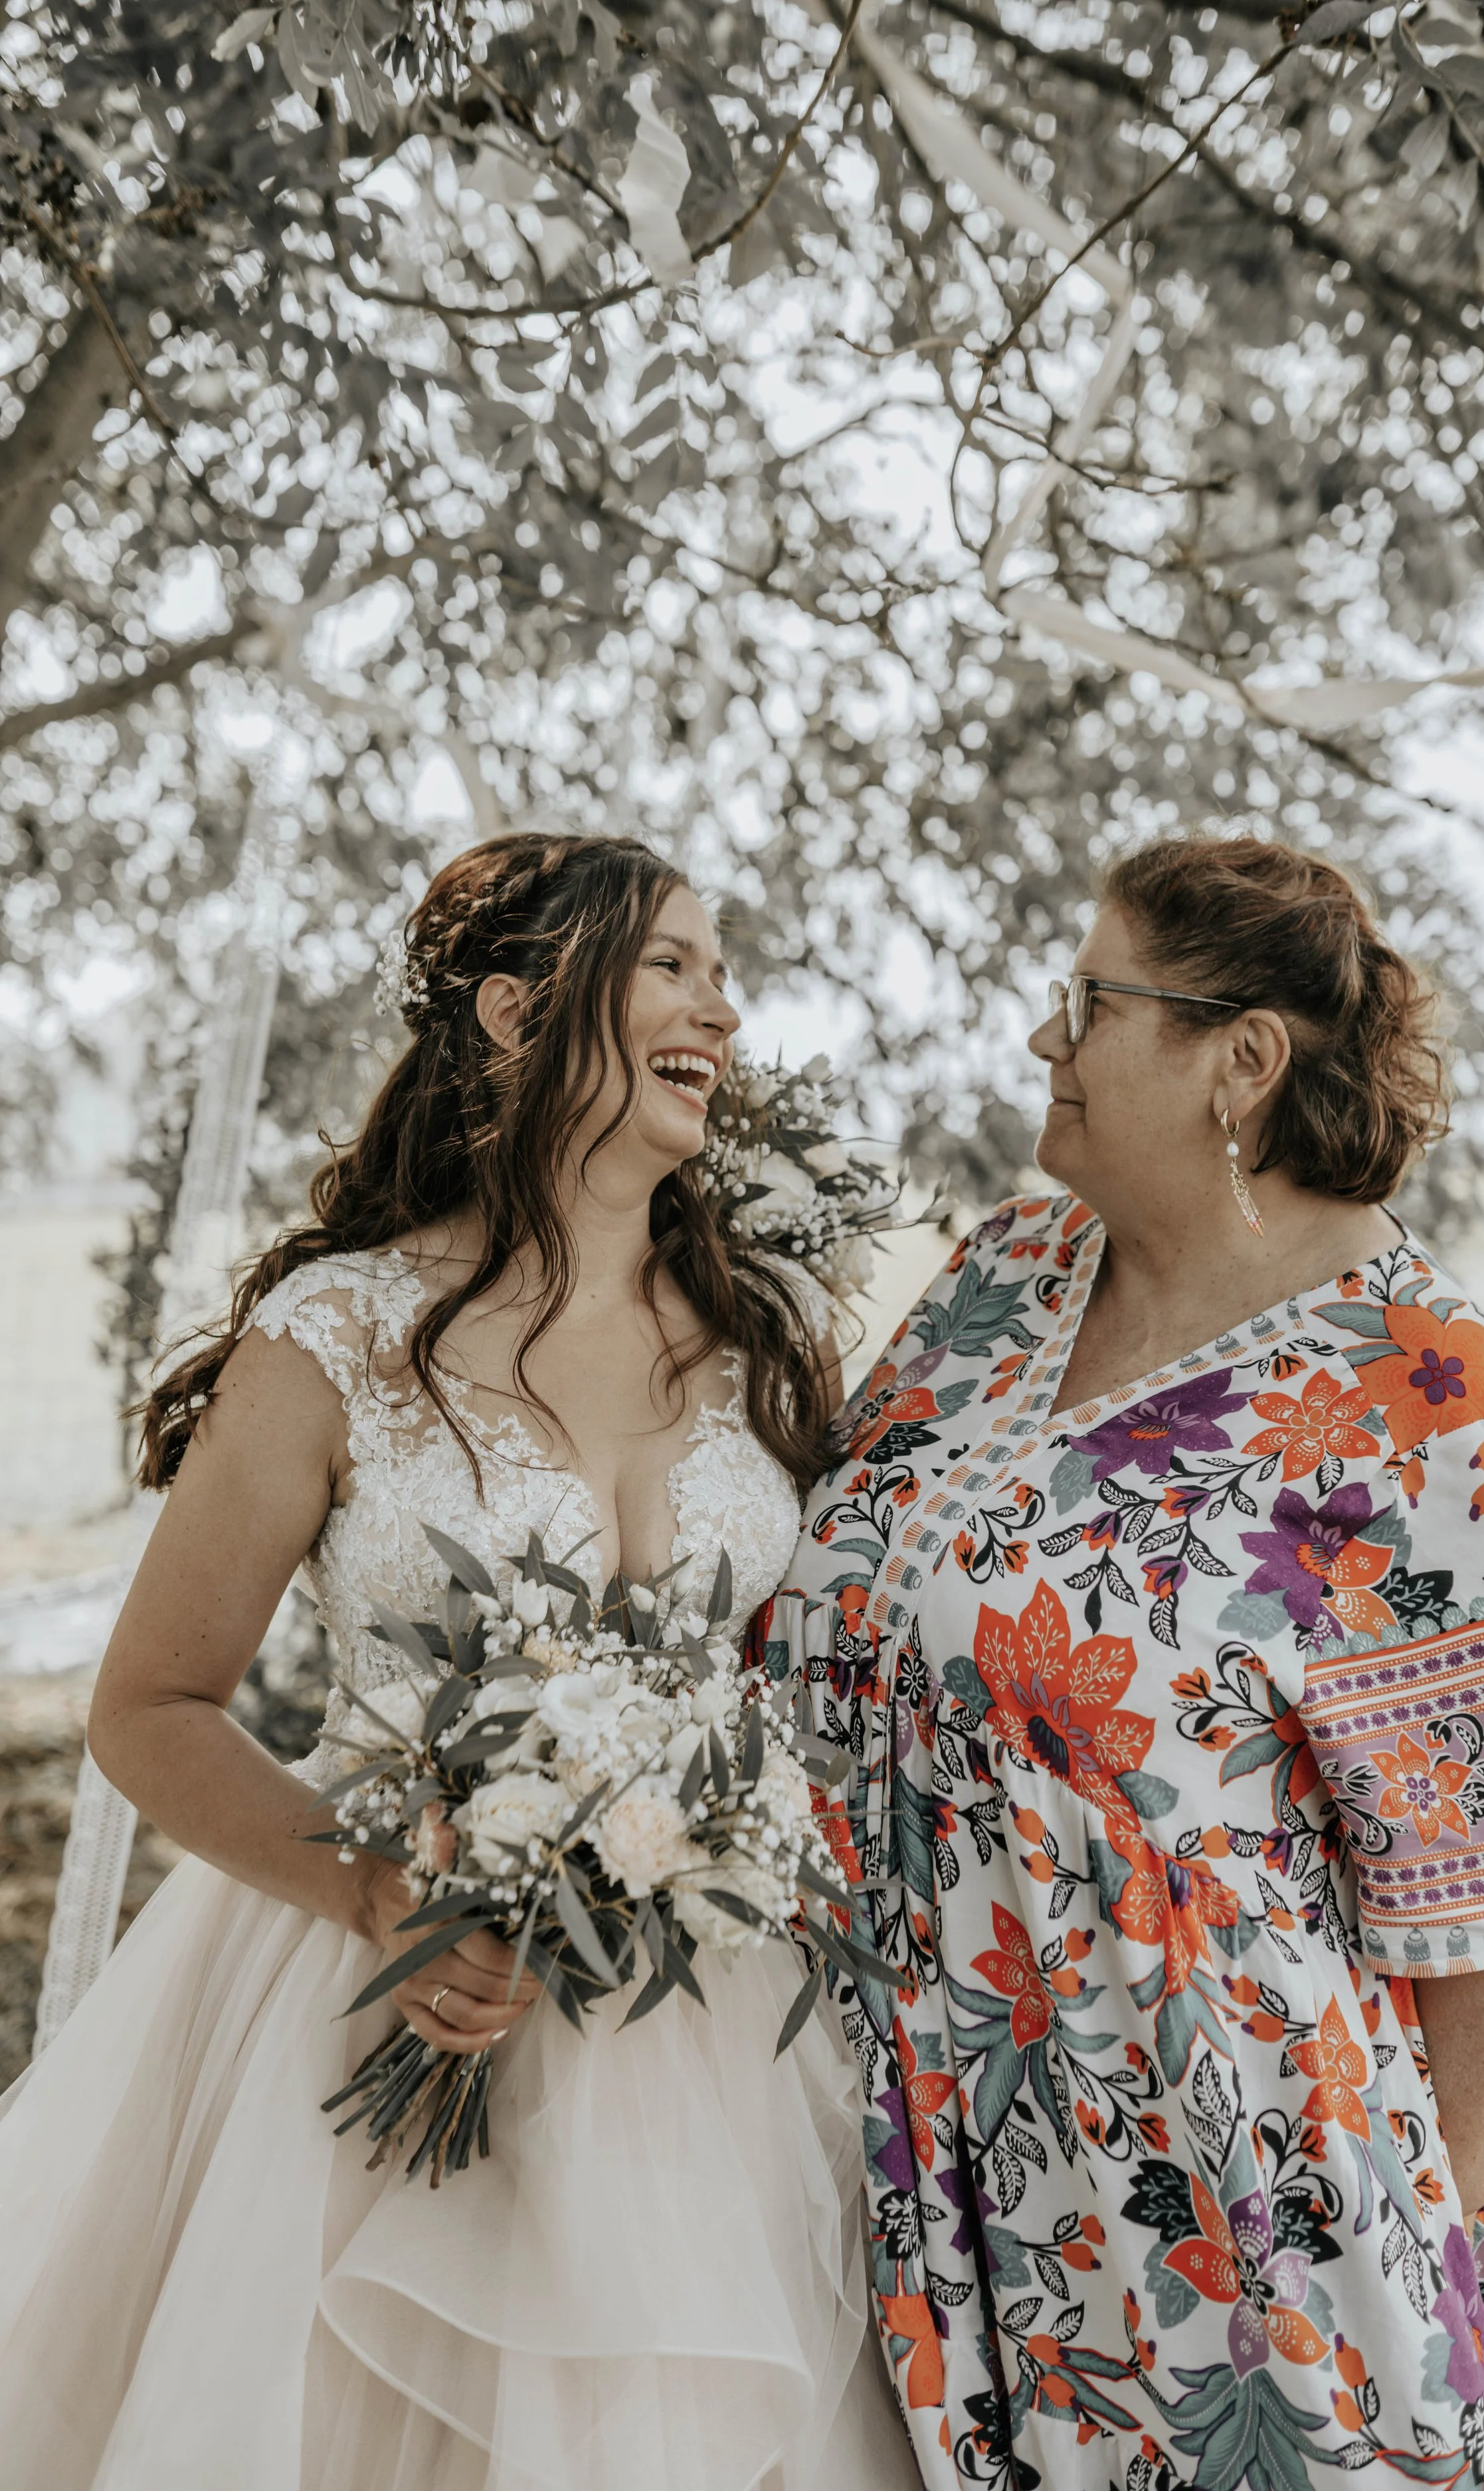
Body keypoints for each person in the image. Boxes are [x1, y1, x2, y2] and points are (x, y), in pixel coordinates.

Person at [0, 832, 917, 2491]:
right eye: (675, 964)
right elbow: (146, 1705)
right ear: (514, 1012)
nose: (724, 1002)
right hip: (366, 1984)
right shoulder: (337, 1337)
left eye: (722, 968)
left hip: (704, 2034)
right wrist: (376, 1893)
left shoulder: (771, 1333)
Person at [767, 836, 1484, 2491]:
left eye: (1090, 1001)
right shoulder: (995, 1281)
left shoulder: (1425, 1409)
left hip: (1214, 2230)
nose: (1046, 1040)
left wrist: (1394, 2290)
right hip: (877, 2133)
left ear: (1236, 1060)